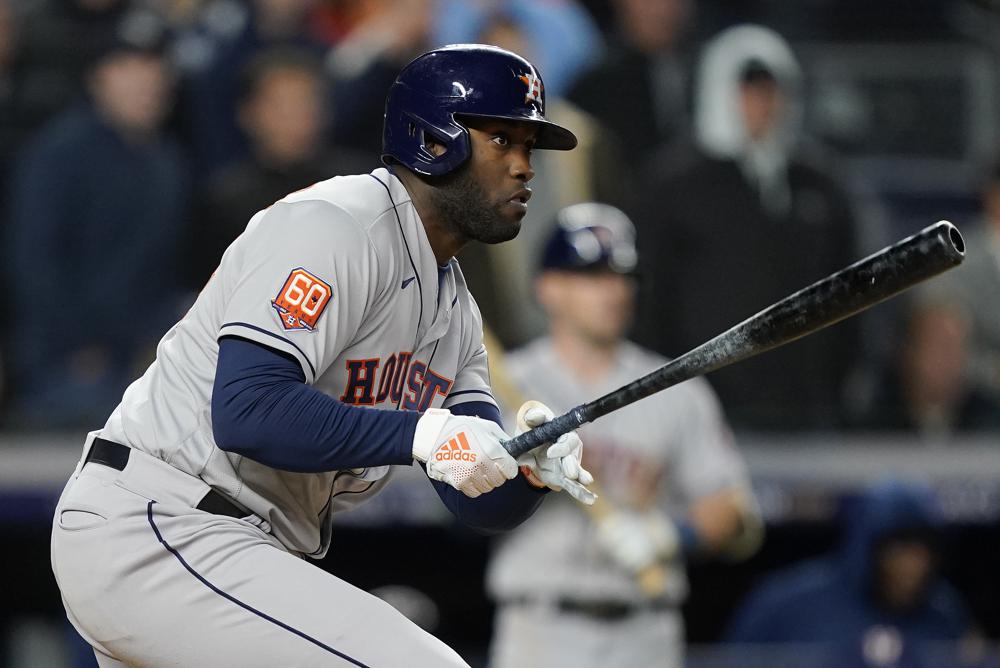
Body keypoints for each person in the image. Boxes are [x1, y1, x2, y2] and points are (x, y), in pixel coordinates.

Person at [50, 44, 596, 667]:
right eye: (504, 140)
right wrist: (428, 433)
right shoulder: (337, 224)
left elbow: (472, 496)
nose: (525, 167)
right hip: (164, 519)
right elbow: (247, 410)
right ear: (433, 140)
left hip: (230, 546)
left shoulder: (456, 312)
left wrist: (523, 469)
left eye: (529, 147)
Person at [486, 203, 761, 668]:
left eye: (622, 276)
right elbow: (459, 502)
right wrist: (517, 470)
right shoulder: (504, 384)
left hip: (645, 631)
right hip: (539, 627)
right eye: (593, 276)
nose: (614, 291)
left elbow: (734, 515)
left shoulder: (676, 387)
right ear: (548, 288)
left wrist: (666, 535)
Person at [631, 24, 860, 430]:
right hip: (705, 403)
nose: (762, 104)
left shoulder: (820, 183)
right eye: (748, 90)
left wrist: (842, 380)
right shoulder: (673, 184)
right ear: (720, 90)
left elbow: (850, 287)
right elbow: (651, 296)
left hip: (805, 402)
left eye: (771, 90)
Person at [4, 27, 187, 428]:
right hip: (68, 361)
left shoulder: (166, 162)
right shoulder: (57, 153)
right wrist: (77, 345)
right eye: (129, 69)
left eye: (156, 71)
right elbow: (35, 261)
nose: (148, 83)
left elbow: (163, 268)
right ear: (97, 79)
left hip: (145, 360)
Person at [725, 480, 973, 668]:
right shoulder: (784, 605)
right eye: (898, 548)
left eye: (924, 550)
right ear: (867, 548)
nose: (912, 565)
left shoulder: (945, 615)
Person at [191, 48, 372, 289]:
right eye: (282, 104)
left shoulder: (361, 184)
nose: (297, 115)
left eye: (307, 102)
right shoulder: (225, 200)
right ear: (248, 114)